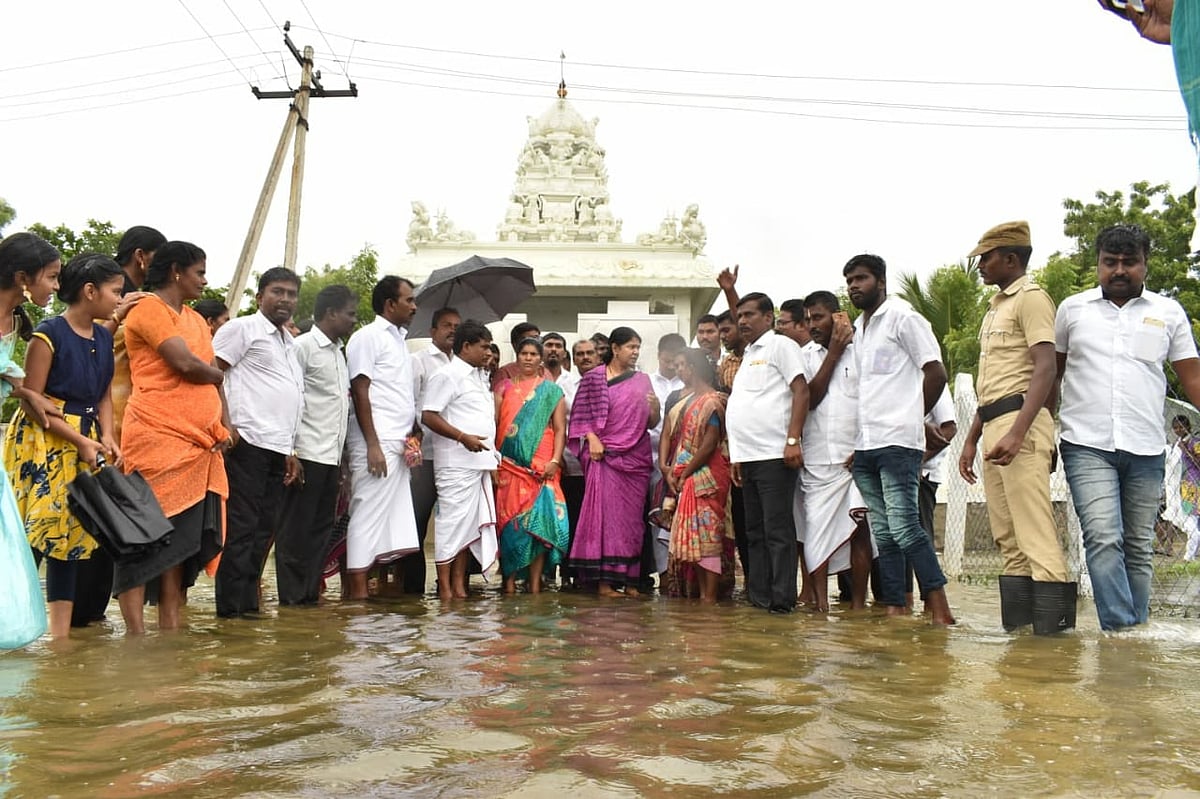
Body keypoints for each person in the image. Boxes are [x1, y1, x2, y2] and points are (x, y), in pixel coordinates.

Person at [1055, 223, 1200, 630]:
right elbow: (1051, 375)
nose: (1119, 271)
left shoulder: (1168, 312)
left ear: (1145, 265)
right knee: (1103, 537)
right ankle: (1121, 632)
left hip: (1147, 445)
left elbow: (1192, 378)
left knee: (1138, 546)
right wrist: (1040, 431)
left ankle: (1136, 633)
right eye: (1110, 262)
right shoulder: (1072, 310)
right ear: (1098, 264)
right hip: (1085, 443)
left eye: (1129, 262)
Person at [956, 221, 1070, 634]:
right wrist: (970, 439)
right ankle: (1023, 644)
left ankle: (1055, 646)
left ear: (1010, 258)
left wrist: (1020, 432)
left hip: (1020, 422)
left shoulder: (1033, 299)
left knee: (1034, 533)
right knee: (1008, 539)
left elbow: (1046, 370)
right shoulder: (996, 307)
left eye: (985, 258)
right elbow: (990, 385)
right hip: (993, 423)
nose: (981, 265)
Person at [4, 251, 120, 640]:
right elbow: (34, 402)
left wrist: (107, 436)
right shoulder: (47, 335)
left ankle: (59, 638)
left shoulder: (104, 336)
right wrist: (80, 440)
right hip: (44, 440)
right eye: (115, 291)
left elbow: (104, 394)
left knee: (70, 534)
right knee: (34, 529)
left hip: (85, 437)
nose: (120, 299)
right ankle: (14, 617)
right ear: (90, 291)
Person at [116, 242, 229, 632]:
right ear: (177, 271)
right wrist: (217, 375)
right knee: (143, 538)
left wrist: (221, 425)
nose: (204, 280)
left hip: (199, 446)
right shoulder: (148, 310)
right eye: (199, 272)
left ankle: (171, 628)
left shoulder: (198, 321)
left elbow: (209, 370)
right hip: (155, 436)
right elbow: (186, 364)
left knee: (180, 546)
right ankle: (135, 635)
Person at [844, 253, 955, 625]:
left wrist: (912, 417)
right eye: (849, 281)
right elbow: (865, 390)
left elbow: (936, 371)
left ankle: (941, 610)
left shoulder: (904, 318)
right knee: (884, 533)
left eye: (860, 278)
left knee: (906, 527)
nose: (854, 286)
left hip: (898, 443)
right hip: (867, 445)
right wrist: (855, 445)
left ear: (881, 280)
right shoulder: (860, 330)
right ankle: (895, 607)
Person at [75, 225, 163, 628]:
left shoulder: (145, 299)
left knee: (112, 513)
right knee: (100, 510)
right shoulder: (118, 295)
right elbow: (90, 346)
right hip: (107, 415)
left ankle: (92, 613)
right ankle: (84, 613)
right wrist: (120, 312)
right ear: (143, 256)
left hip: (124, 420)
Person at [212, 267, 305, 618]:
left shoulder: (289, 342)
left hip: (278, 448)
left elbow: (290, 396)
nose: (285, 299)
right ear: (259, 296)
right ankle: (229, 612)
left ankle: (247, 607)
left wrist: (291, 450)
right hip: (246, 442)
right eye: (277, 291)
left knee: (264, 530)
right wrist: (226, 423)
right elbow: (212, 373)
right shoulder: (241, 329)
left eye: (291, 293)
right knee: (241, 528)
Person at [275, 285, 357, 606]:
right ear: (331, 313)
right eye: (349, 314)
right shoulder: (302, 347)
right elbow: (289, 399)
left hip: (330, 458)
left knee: (321, 531)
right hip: (305, 454)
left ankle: (308, 597)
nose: (353, 320)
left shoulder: (339, 352)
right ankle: (292, 601)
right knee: (295, 532)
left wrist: (344, 464)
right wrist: (290, 452)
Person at [726, 292, 807, 612]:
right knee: (754, 531)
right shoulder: (749, 354)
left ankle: (782, 601)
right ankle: (759, 598)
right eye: (740, 315)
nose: (742, 321)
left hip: (775, 454)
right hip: (747, 457)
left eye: (749, 315)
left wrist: (792, 440)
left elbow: (800, 390)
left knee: (777, 531)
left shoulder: (781, 346)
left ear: (769, 318)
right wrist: (736, 456)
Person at [344, 276, 422, 600]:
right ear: (390, 304)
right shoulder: (368, 337)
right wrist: (373, 444)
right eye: (409, 300)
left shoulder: (400, 342)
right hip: (375, 443)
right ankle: (357, 596)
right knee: (366, 516)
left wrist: (412, 431)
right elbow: (360, 390)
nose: (414, 306)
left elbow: (396, 394)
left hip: (397, 441)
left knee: (384, 521)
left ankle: (367, 592)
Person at [568, 327, 660, 596]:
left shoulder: (643, 380)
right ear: (615, 348)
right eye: (631, 347)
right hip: (603, 458)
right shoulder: (593, 379)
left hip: (635, 460)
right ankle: (605, 582)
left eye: (638, 348)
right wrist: (592, 437)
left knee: (632, 522)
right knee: (605, 520)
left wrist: (654, 409)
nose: (635, 352)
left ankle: (631, 581)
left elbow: (651, 423)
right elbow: (580, 418)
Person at [796, 291, 873, 612]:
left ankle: (857, 606)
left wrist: (866, 446)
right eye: (809, 319)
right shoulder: (805, 356)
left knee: (859, 530)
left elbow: (873, 401)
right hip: (816, 460)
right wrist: (834, 351)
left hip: (855, 458)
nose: (812, 325)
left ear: (838, 317)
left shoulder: (863, 353)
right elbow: (810, 398)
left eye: (819, 317)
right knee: (815, 533)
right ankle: (821, 606)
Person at [421, 320, 500, 600]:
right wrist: (462, 437)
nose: (488, 352)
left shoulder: (479, 376)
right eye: (484, 347)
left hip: (479, 464)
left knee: (469, 529)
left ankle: (459, 586)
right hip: (455, 463)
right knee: (451, 525)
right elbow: (428, 415)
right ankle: (444, 588)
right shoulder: (448, 374)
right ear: (466, 347)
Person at [494, 336, 570, 594]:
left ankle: (536, 582)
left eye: (533, 354)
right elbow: (495, 426)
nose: (528, 358)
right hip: (509, 465)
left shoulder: (551, 391)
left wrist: (555, 461)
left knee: (540, 524)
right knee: (509, 522)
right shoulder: (503, 388)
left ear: (541, 359)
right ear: (517, 356)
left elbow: (560, 430)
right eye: (523, 353)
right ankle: (509, 581)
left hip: (543, 465)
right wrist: (493, 462)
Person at [661, 348, 733, 601]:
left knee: (708, 535)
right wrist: (676, 474)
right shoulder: (691, 401)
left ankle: (709, 598)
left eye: (683, 365)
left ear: (693, 368)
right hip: (690, 475)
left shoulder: (713, 401)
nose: (679, 370)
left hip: (709, 477)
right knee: (697, 540)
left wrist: (684, 473)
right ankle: (703, 597)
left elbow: (709, 444)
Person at [405, 306, 461, 595]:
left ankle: (449, 586)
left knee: (454, 524)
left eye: (456, 325)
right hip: (425, 454)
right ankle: (412, 589)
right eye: (446, 325)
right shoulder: (419, 362)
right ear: (433, 331)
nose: (452, 330)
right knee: (416, 522)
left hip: (456, 458)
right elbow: (409, 403)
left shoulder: (465, 364)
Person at [645, 332, 687, 585]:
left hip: (684, 463)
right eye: (667, 361)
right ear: (659, 356)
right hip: (651, 462)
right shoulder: (646, 382)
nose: (672, 367)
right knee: (657, 518)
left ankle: (682, 574)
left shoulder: (689, 385)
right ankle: (662, 575)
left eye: (677, 362)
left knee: (681, 519)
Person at [1164, 414, 1200, 560]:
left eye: (1182, 427)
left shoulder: (1194, 442)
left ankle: (1190, 556)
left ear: (1188, 427)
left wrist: (1185, 450)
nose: (1179, 430)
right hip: (1183, 486)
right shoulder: (1176, 445)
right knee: (1188, 518)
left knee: (1192, 519)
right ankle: (1190, 553)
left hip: (1194, 485)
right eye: (1176, 428)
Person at [491, 321, 541, 390]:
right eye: (528, 340)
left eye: (537, 339)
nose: (534, 343)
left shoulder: (545, 372)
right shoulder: (504, 373)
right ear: (515, 345)